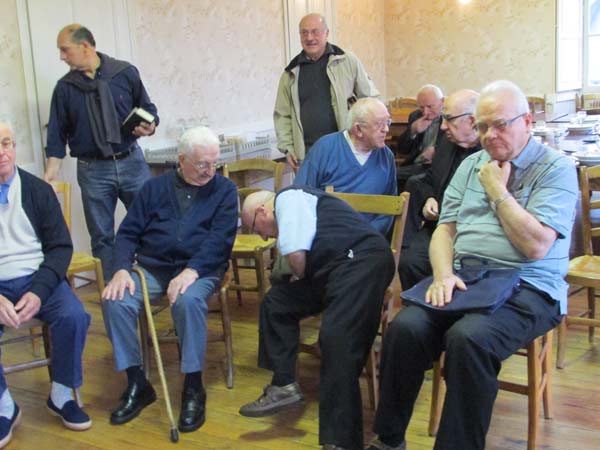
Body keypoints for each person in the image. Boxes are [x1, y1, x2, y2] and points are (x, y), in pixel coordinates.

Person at [367, 80, 578, 450]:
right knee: (404, 329)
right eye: (482, 127)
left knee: (468, 338)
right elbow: (444, 229)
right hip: (468, 277)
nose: (489, 135)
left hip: (529, 285)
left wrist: (497, 190)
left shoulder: (554, 168)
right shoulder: (471, 165)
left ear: (527, 122)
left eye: (500, 125)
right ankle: (389, 439)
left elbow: (536, 246)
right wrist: (443, 274)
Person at [101, 127, 238, 433]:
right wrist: (121, 268)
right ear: (182, 160)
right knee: (115, 300)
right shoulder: (154, 188)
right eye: (202, 164)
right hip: (153, 268)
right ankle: (137, 382)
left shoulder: (225, 190)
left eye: (214, 163)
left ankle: (193, 385)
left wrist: (192, 271)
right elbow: (127, 233)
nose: (210, 171)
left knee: (187, 301)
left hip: (201, 268)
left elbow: (221, 241)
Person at [239, 187, 395, 450]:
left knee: (336, 339)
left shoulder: (287, 197)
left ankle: (341, 442)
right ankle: (284, 385)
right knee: (276, 303)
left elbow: (296, 257)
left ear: (262, 211)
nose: (263, 236)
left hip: (361, 261)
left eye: (256, 228)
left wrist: (296, 274)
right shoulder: (296, 205)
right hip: (331, 273)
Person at [0, 122, 92, 448]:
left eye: (6, 143)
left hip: (38, 277)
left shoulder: (38, 190)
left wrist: (38, 292)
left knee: (74, 316)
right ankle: (5, 406)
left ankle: (61, 394)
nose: (2, 153)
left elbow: (60, 248)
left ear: (14, 147)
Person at [45, 24, 159, 280]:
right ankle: (113, 289)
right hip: (93, 170)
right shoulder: (64, 88)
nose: (61, 56)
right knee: (102, 236)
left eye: (65, 50)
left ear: (85, 46)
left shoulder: (125, 72)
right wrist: (50, 174)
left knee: (150, 224)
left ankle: (152, 282)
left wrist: (150, 126)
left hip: (132, 161)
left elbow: (149, 109)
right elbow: (56, 135)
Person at [274, 13, 379, 171]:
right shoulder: (290, 73)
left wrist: (369, 135)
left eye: (315, 31)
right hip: (308, 155)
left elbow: (370, 100)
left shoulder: (347, 61)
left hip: (347, 151)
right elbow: (282, 115)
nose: (309, 38)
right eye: (304, 32)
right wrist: (287, 148)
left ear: (327, 33)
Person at [399, 89, 481, 289]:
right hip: (440, 224)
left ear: (472, 121)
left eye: (449, 119)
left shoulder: (490, 150)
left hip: (473, 230)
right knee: (409, 262)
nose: (443, 126)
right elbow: (430, 178)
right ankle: (422, 303)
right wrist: (429, 198)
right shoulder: (447, 142)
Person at [294, 97, 397, 234]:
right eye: (379, 124)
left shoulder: (386, 157)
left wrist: (367, 235)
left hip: (369, 237)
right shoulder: (325, 148)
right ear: (358, 129)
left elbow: (390, 207)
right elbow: (300, 194)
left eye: (388, 122)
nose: (386, 129)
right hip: (328, 234)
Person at [395, 85, 444, 190]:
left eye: (430, 107)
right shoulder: (415, 116)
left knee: (412, 181)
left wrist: (437, 151)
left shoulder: (449, 119)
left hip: (437, 166)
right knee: (390, 174)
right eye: (421, 107)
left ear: (442, 102)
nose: (425, 112)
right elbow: (402, 149)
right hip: (415, 164)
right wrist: (412, 131)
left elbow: (455, 146)